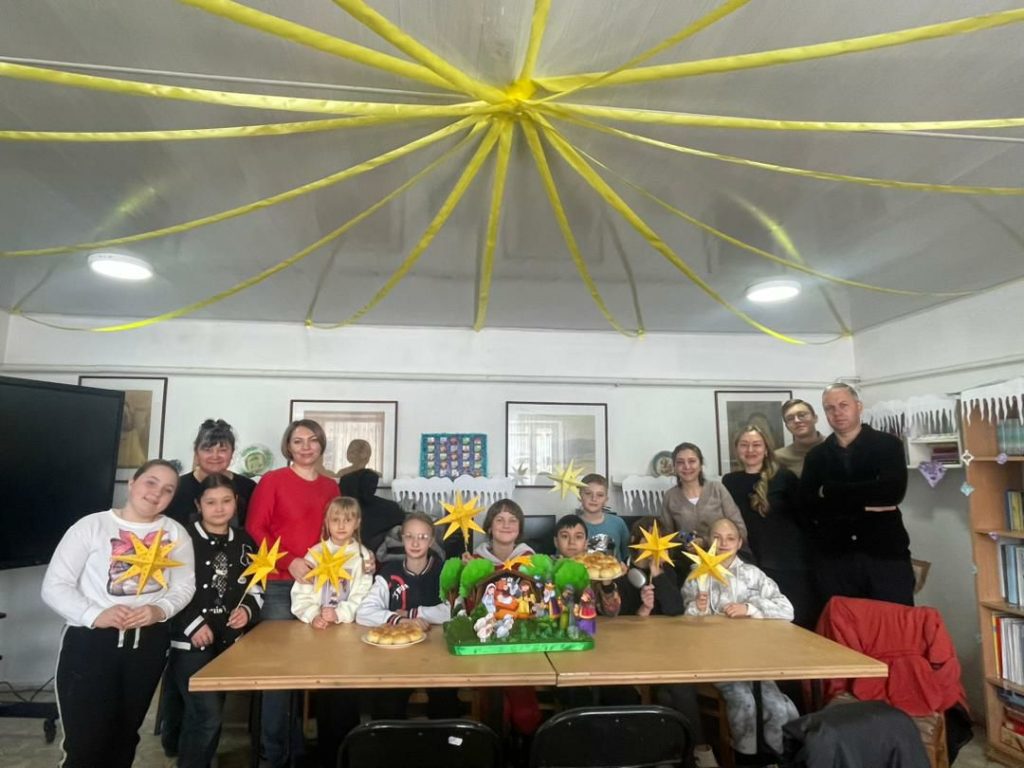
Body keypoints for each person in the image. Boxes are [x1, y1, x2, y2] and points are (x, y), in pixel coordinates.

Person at [41, 460, 196, 768]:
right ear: (132, 483)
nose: (157, 493)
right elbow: (54, 586)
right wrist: (94, 614)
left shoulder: (175, 533)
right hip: (89, 646)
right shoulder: (91, 526)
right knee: (84, 744)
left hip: (147, 647)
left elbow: (184, 587)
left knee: (124, 738)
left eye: (167, 490)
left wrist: (159, 609)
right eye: (151, 482)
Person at [244, 419, 340, 768]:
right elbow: (255, 528)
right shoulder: (273, 481)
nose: (306, 447)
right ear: (288, 446)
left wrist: (359, 558)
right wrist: (289, 560)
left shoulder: (331, 486)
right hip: (279, 586)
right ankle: (272, 756)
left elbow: (338, 532)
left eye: (312, 440)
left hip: (319, 588)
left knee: (305, 670)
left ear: (322, 445)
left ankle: (295, 750)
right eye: (298, 441)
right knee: (278, 676)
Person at [161, 474, 261, 768]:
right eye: (211, 502)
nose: (219, 508)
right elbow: (166, 586)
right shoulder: (182, 539)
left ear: (236, 503)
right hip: (189, 641)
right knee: (207, 715)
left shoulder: (245, 541)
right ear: (198, 505)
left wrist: (248, 611)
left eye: (226, 501)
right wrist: (192, 624)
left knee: (206, 713)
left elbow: (256, 584)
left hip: (228, 641)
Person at [682, 518, 798, 758]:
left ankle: (775, 757)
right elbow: (686, 624)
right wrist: (698, 608)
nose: (723, 543)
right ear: (708, 541)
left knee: (777, 707)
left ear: (739, 543)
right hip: (716, 662)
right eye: (717, 538)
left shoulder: (753, 575)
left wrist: (750, 608)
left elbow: (787, 609)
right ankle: (745, 757)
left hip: (754, 661)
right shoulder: (697, 574)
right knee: (745, 702)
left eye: (730, 538)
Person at [800, 383, 915, 606]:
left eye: (843, 405)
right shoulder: (816, 456)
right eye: (830, 408)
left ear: (859, 406)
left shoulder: (888, 445)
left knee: (892, 620)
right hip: (835, 556)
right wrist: (867, 499)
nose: (837, 412)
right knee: (843, 623)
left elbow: (892, 493)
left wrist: (830, 491)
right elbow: (807, 505)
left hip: (885, 554)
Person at [290, 496, 373, 768]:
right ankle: (326, 753)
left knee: (345, 696)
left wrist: (341, 613)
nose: (341, 525)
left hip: (349, 637)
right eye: (335, 520)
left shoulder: (363, 557)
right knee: (323, 695)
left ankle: (348, 754)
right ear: (327, 522)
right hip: (320, 637)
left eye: (348, 520)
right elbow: (301, 593)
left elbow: (364, 595)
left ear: (357, 523)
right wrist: (313, 614)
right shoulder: (314, 554)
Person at [356, 512, 460, 720]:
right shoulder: (389, 572)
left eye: (422, 537)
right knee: (388, 701)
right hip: (396, 655)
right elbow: (364, 612)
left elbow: (456, 610)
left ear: (431, 540)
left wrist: (416, 613)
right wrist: (402, 620)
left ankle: (441, 737)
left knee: (445, 698)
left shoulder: (443, 571)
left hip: (436, 652)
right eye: (409, 536)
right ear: (401, 538)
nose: (415, 543)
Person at [722, 425, 819, 629]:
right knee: (756, 626)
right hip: (750, 565)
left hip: (788, 565)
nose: (750, 450)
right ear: (737, 449)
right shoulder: (729, 482)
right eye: (744, 445)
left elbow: (805, 518)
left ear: (766, 449)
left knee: (795, 623)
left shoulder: (785, 477)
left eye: (756, 445)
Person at [165, 418, 257, 528]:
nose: (215, 456)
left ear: (232, 452)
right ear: (196, 452)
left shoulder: (248, 489)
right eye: (207, 450)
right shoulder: (177, 488)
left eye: (222, 450)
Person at [659, 442, 747, 547]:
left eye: (692, 461)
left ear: (700, 465)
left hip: (722, 553)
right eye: (680, 462)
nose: (687, 466)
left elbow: (740, 530)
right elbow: (667, 536)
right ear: (674, 467)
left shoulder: (717, 489)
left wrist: (705, 542)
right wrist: (686, 540)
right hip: (685, 555)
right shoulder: (670, 497)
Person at [576, 473, 631, 561]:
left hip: (615, 569)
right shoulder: (571, 524)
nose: (594, 498)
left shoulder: (618, 523)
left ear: (606, 499)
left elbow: (628, 556)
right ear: (579, 496)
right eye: (588, 493)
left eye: (600, 495)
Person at [470, 499, 535, 564]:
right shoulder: (475, 561)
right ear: (489, 527)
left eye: (512, 520)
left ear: (519, 528)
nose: (506, 525)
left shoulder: (530, 560)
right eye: (499, 520)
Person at [774, 399, 826, 477]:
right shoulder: (779, 457)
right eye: (790, 418)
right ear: (787, 426)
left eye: (802, 415)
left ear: (815, 418)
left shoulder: (834, 446)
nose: (797, 421)